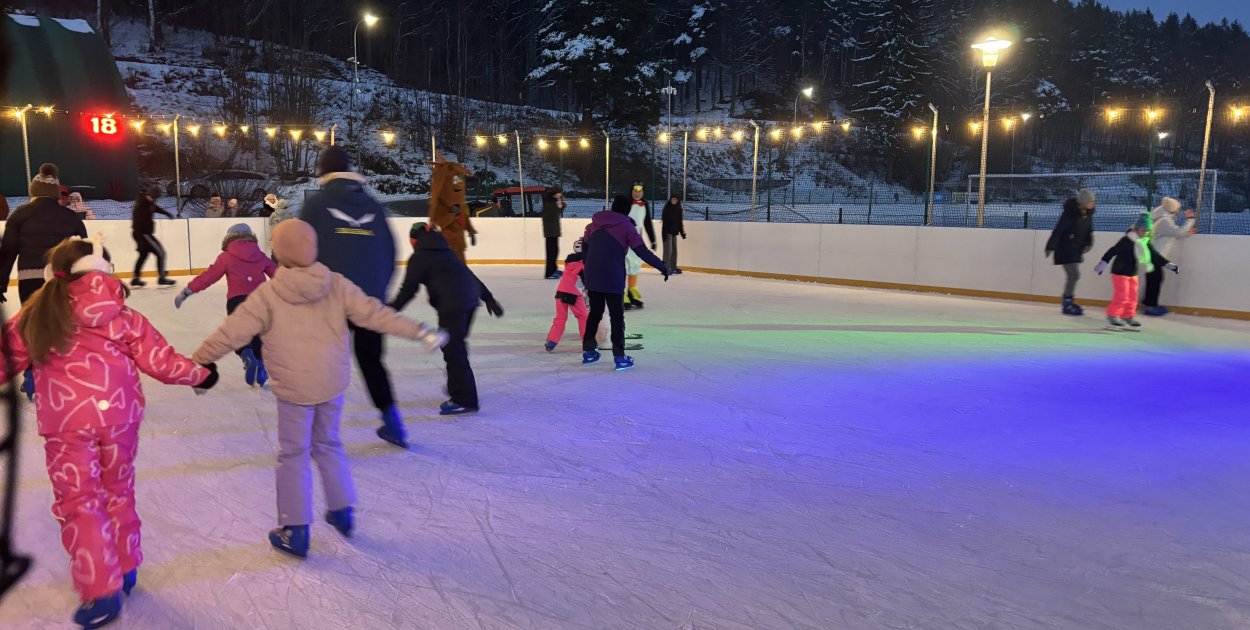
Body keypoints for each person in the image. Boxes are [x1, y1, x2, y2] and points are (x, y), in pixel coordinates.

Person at [193, 220, 447, 558]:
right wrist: (420, 331)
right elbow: (376, 315)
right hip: (330, 383)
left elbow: (232, 332)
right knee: (328, 444)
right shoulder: (336, 284)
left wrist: (200, 361)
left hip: (293, 390)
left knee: (293, 455)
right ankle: (342, 511)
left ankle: (296, 530)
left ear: (278, 252)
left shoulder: (268, 294)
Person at [2, 237, 218, 629]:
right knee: (118, 489)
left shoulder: (39, 313)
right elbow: (162, 361)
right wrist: (202, 374)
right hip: (121, 417)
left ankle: (102, 590)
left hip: (67, 423)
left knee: (81, 501)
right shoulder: (125, 315)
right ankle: (126, 566)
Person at [300, 147, 408, 446]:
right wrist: (377, 292)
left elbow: (300, 251)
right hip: (369, 300)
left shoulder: (317, 205)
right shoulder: (374, 205)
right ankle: (393, 423)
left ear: (323, 171)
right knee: (372, 361)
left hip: (329, 299)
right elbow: (390, 251)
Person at [390, 222, 503, 419]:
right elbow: (469, 275)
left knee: (453, 349)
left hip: (453, 305)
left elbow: (408, 290)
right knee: (454, 347)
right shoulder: (446, 251)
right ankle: (458, 387)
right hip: (468, 302)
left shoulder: (420, 257)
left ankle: (465, 399)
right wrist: (488, 297)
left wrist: (388, 312)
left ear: (413, 240)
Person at [0, 163, 88, 399]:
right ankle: (63, 374)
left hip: (29, 279)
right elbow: (84, 252)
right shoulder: (69, 217)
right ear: (54, 192)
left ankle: (31, 377)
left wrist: (1, 281)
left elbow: (7, 250)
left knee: (32, 326)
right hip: (60, 281)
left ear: (33, 190)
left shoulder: (20, 214)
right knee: (62, 325)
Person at [176, 224, 277, 386]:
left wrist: (188, 290)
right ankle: (260, 364)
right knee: (259, 334)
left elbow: (208, 276)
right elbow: (279, 276)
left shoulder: (226, 257)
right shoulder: (260, 255)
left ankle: (246, 353)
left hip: (237, 301)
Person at [582, 195, 669, 370]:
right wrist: (662, 267)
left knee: (595, 313)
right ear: (627, 209)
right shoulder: (626, 227)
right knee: (616, 316)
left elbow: (585, 248)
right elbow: (642, 251)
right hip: (613, 277)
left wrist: (590, 267)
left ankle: (589, 352)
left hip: (593, 275)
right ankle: (620, 357)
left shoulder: (593, 225)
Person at [1095, 213, 1178, 331]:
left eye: (1147, 231)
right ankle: (1112, 315)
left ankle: (1128, 316)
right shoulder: (1127, 240)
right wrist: (1102, 264)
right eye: (1143, 230)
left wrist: (1168, 265)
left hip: (1132, 273)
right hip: (1120, 272)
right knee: (1122, 296)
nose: (1144, 233)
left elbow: (1155, 256)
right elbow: (1112, 251)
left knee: (1132, 297)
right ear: (1136, 229)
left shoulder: (1145, 242)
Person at [545, 238, 605, 353]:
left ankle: (551, 342)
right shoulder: (584, 264)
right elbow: (587, 281)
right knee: (583, 317)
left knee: (560, 318)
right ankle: (587, 343)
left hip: (561, 292)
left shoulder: (569, 262)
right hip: (574, 295)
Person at [1045, 188, 1096, 316]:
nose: (1093, 203)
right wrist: (1050, 246)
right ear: (1083, 202)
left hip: (1076, 249)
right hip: (1065, 249)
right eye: (1091, 201)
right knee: (1074, 275)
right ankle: (1067, 302)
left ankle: (1068, 300)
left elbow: (1089, 230)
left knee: (1074, 276)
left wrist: (1088, 242)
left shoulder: (1087, 214)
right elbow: (1059, 230)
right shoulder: (1070, 214)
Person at [1142, 197, 1197, 316]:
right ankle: (1150, 306)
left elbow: (1174, 233)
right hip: (1156, 256)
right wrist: (1191, 220)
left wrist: (1187, 233)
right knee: (1155, 280)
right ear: (1171, 210)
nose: (1177, 212)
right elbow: (1178, 232)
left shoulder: (1160, 218)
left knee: (1154, 279)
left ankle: (1149, 303)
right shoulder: (1164, 221)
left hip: (1153, 255)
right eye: (1176, 209)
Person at [428, 158, 478, 262]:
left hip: (459, 244)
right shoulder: (441, 207)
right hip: (448, 245)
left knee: (461, 268)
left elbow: (465, 218)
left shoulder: (461, 205)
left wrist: (470, 231)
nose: (459, 187)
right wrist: (452, 212)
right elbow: (442, 223)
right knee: (450, 268)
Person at [619, 181, 657, 309]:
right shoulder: (625, 204)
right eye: (635, 191)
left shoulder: (644, 205)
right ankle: (622, 295)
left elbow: (647, 223)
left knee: (634, 265)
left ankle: (631, 293)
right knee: (624, 266)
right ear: (631, 191)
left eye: (639, 191)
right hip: (624, 240)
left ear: (643, 193)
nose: (637, 194)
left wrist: (652, 240)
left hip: (636, 241)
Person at [131, 193, 176, 288]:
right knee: (161, 253)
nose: (154, 199)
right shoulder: (142, 206)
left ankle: (136, 279)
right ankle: (162, 277)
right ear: (147, 196)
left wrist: (167, 214)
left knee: (143, 255)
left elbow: (157, 209)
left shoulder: (148, 204)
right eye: (152, 197)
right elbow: (138, 224)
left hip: (143, 235)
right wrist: (140, 241)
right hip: (144, 235)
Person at [541, 187, 565, 279]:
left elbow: (560, 210)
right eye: (559, 193)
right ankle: (549, 272)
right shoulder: (549, 204)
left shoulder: (552, 203)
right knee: (551, 252)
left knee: (554, 251)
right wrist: (559, 203)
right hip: (550, 232)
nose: (561, 195)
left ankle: (553, 269)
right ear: (555, 194)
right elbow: (556, 211)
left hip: (553, 231)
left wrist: (560, 203)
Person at [660, 196, 687, 274]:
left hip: (674, 233)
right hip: (667, 232)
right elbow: (664, 223)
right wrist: (664, 234)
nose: (674, 201)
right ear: (670, 200)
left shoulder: (679, 209)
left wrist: (682, 233)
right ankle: (665, 269)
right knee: (668, 251)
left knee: (674, 251)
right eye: (673, 199)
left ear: (678, 200)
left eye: (675, 199)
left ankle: (673, 267)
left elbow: (680, 222)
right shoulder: (667, 209)